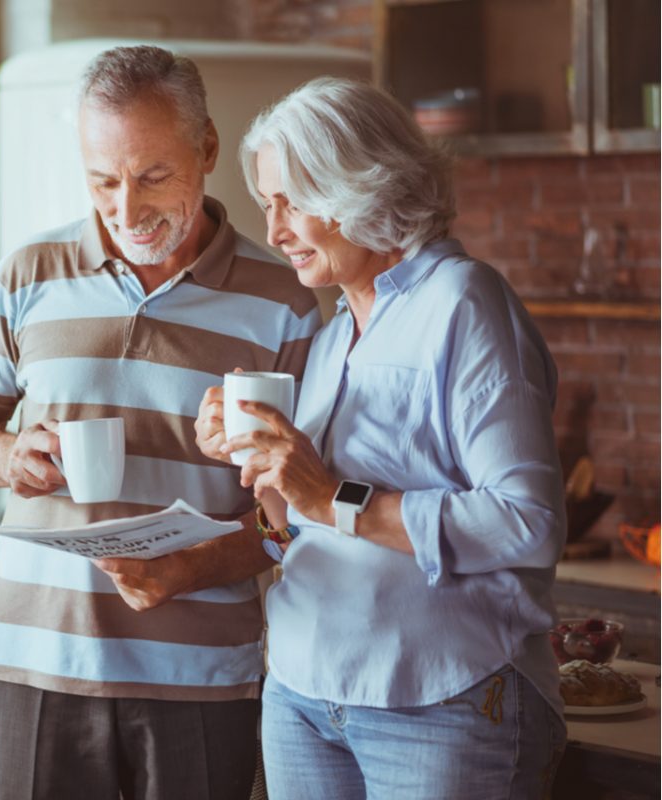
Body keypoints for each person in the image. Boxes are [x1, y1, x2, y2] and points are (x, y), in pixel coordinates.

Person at [0, 46, 320, 800]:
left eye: (152, 177)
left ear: (207, 148)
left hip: (202, 674)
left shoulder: (286, 301)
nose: (126, 210)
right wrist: (12, 455)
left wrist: (191, 568)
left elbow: (297, 518)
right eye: (103, 181)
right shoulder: (30, 273)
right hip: (34, 659)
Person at [195, 76, 567, 799]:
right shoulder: (337, 333)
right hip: (303, 693)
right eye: (268, 204)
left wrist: (332, 494)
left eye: (290, 203)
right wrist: (262, 466)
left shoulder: (465, 302)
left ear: (357, 187)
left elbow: (528, 523)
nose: (273, 231)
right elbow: (301, 527)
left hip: (437, 702)